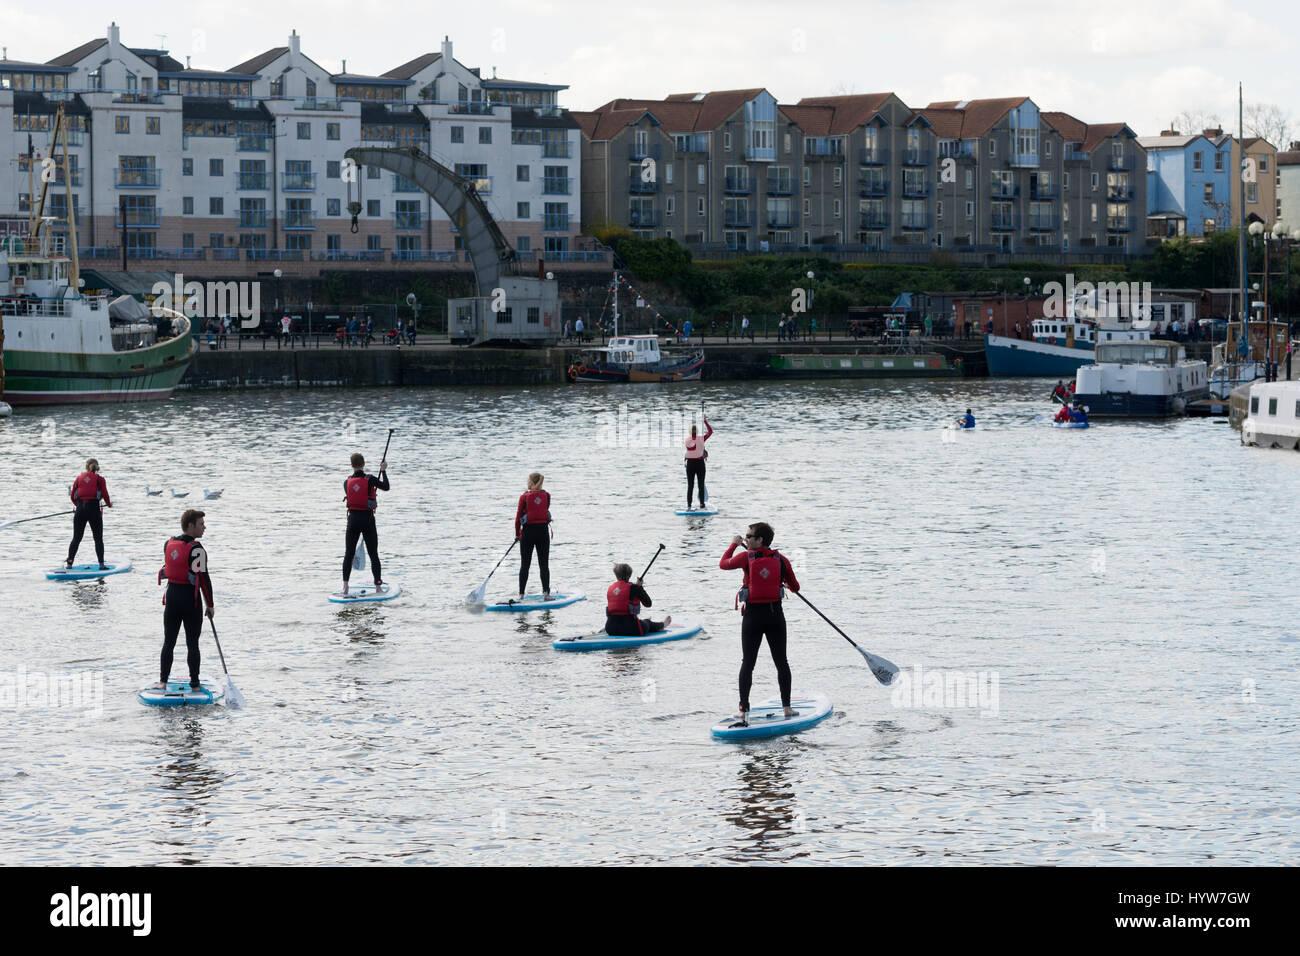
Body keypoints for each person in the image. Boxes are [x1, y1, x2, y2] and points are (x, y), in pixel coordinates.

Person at [719, 522, 800, 720]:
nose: (746, 539)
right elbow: (795, 587)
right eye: (745, 537)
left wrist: (733, 545)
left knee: (748, 663)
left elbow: (723, 564)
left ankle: (743, 709)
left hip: (753, 617)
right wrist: (780, 581)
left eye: (749, 536)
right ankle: (787, 708)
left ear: (760, 539)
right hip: (775, 616)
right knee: (782, 662)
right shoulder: (781, 560)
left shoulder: (746, 557)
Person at [151, 509, 213, 692]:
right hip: (190, 600)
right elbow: (204, 579)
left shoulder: (168, 544)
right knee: (192, 642)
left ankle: (163, 682)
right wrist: (210, 605)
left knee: (168, 641)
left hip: (171, 598)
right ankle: (194, 684)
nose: (204, 528)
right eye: (201, 524)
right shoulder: (197, 549)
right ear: (191, 525)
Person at [341, 452, 390, 596]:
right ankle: (378, 587)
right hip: (367, 521)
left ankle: (345, 587)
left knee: (348, 554)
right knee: (373, 554)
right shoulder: (370, 480)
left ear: (351, 465)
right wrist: (383, 471)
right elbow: (386, 487)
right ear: (363, 464)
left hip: (353, 521)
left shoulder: (347, 482)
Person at [66, 458, 111, 569]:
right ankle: (101, 565)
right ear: (96, 467)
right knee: (98, 538)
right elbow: (105, 494)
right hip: (94, 509)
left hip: (80, 510)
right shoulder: (100, 479)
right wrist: (109, 504)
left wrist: (78, 506)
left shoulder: (78, 478)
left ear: (86, 467)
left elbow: (72, 497)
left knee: (76, 538)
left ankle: (69, 564)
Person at [605, 563, 671, 636]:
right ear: (629, 575)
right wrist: (640, 587)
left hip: (611, 628)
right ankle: (662, 625)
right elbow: (648, 604)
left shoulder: (611, 588)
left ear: (616, 575)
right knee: (648, 623)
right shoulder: (635, 588)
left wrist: (637, 587)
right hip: (632, 629)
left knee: (620, 620)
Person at [515, 472, 553, 600]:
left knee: (525, 565)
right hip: (542, 532)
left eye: (528, 480)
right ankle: (546, 594)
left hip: (527, 533)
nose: (527, 482)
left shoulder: (524, 497)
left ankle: (521, 594)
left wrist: (516, 535)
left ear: (531, 482)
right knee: (544, 565)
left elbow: (518, 518)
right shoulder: (547, 495)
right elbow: (544, 509)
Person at [684, 415, 713, 509]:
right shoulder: (701, 439)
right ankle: (701, 504)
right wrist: (705, 421)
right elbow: (710, 432)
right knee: (701, 484)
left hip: (690, 465)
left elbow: (693, 447)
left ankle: (688, 505)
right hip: (700, 464)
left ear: (689, 432)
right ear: (697, 431)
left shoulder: (686, 440)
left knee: (690, 486)